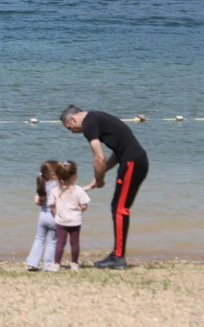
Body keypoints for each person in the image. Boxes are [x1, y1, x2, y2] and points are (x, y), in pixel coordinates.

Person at [60, 106, 149, 270]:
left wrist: (100, 179)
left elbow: (99, 157)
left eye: (69, 128)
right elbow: (118, 151)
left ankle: (118, 257)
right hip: (134, 161)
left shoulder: (89, 124)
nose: (72, 132)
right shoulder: (96, 118)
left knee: (120, 209)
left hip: (132, 163)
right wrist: (98, 177)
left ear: (72, 119)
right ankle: (117, 254)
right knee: (118, 207)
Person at [46, 160, 89, 272]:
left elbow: (52, 205)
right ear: (75, 176)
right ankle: (74, 263)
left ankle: (56, 264)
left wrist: (57, 214)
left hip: (61, 221)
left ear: (58, 176)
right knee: (75, 243)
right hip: (75, 221)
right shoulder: (79, 190)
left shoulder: (55, 190)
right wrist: (79, 210)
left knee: (60, 242)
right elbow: (84, 205)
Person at [24, 160, 61, 271]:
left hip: (42, 216)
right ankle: (48, 264)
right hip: (54, 216)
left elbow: (37, 201)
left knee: (39, 239)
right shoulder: (57, 185)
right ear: (53, 174)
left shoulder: (42, 183)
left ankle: (32, 263)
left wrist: (43, 202)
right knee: (52, 241)